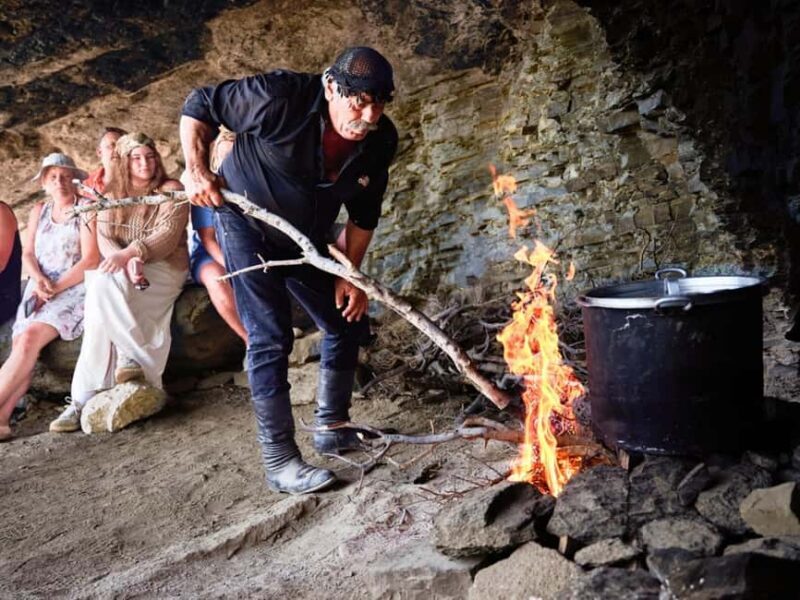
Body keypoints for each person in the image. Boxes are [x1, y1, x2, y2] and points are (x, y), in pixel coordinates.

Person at [180, 46, 398, 494]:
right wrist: (196, 169)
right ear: (332, 87)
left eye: (379, 103)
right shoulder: (279, 97)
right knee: (271, 337)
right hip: (247, 225)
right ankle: (280, 461)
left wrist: (349, 274)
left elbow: (363, 216)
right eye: (359, 101)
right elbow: (198, 104)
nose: (369, 114)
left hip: (309, 238)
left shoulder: (380, 139)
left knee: (346, 321)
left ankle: (332, 427)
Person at [51, 133, 188, 433]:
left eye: (150, 156)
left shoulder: (172, 188)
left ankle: (80, 401)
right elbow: (104, 238)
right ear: (125, 162)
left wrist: (133, 254)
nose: (145, 163)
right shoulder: (111, 195)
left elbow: (165, 238)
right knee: (101, 283)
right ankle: (128, 359)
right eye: (136, 158)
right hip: (126, 270)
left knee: (100, 299)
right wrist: (126, 261)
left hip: (164, 268)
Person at [0, 154, 99, 441]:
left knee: (28, 339)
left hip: (72, 285)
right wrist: (38, 280)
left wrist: (54, 288)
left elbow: (91, 259)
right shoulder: (39, 210)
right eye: (54, 177)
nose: (61, 182)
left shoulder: (86, 209)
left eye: (66, 176)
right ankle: (3, 422)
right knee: (23, 345)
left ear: (75, 179)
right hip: (39, 284)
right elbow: (28, 253)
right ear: (44, 182)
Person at [187, 126, 247, 342]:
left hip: (245, 247)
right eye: (223, 156)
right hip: (209, 253)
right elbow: (208, 240)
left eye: (232, 156)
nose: (227, 163)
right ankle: (250, 339)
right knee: (218, 279)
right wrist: (234, 266)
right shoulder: (204, 188)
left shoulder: (251, 185)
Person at [83, 127, 128, 196]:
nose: (116, 150)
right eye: (112, 145)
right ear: (99, 152)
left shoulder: (142, 180)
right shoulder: (87, 186)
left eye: (121, 146)